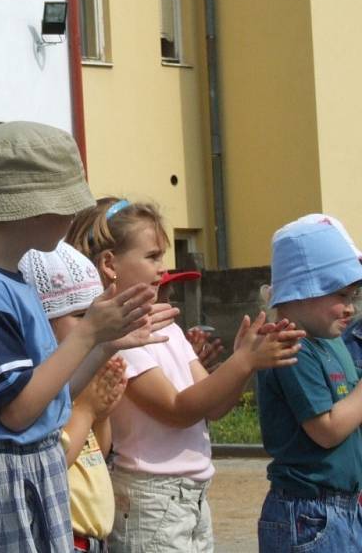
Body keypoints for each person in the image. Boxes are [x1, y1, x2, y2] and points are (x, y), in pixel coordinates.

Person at [0, 122, 167, 552]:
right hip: (1, 487)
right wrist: (90, 332)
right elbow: (17, 412)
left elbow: (49, 398)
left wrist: (106, 344)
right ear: (33, 209)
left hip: (27, 475)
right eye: (66, 205)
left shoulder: (10, 281)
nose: (72, 216)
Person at [65, 197, 303, 552]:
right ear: (110, 264)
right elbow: (176, 409)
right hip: (150, 497)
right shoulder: (119, 339)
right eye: (152, 256)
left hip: (189, 496)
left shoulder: (167, 327)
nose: (163, 267)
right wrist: (243, 363)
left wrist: (241, 363)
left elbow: (212, 406)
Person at [257, 220, 362, 550]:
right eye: (341, 294)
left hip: (339, 508)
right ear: (302, 289)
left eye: (354, 295)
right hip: (308, 514)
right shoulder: (291, 345)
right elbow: (326, 429)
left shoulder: (330, 340)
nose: (351, 307)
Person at [19, 241, 127, 553]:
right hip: (65, 540)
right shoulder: (42, 388)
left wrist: (102, 414)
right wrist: (87, 411)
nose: (93, 326)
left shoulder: (81, 376)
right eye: (81, 316)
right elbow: (54, 461)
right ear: (41, 324)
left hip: (97, 541)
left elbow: (98, 453)